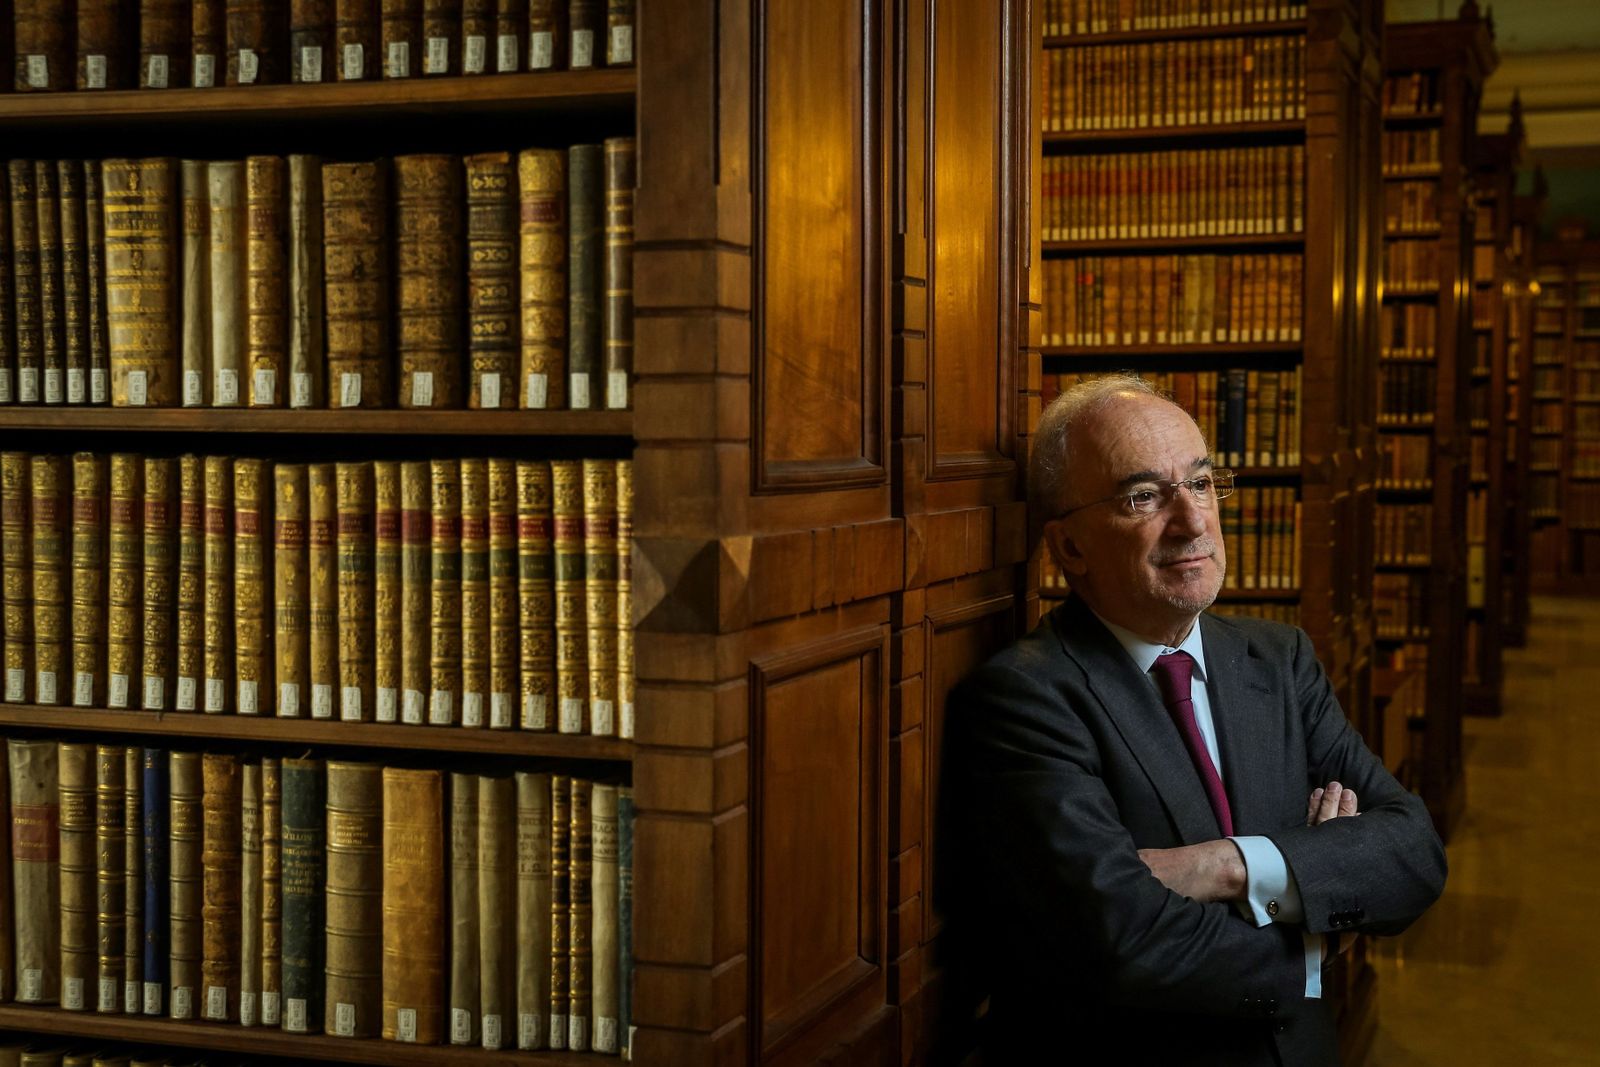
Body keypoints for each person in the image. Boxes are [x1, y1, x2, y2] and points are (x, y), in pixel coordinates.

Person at [941, 375, 1446, 1065]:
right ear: (1070, 547)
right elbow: (1123, 940)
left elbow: (1414, 853)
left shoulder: (1280, 659)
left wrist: (1230, 866)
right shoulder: (1026, 698)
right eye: (1144, 496)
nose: (1193, 522)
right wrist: (1314, 929)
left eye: (1202, 483)